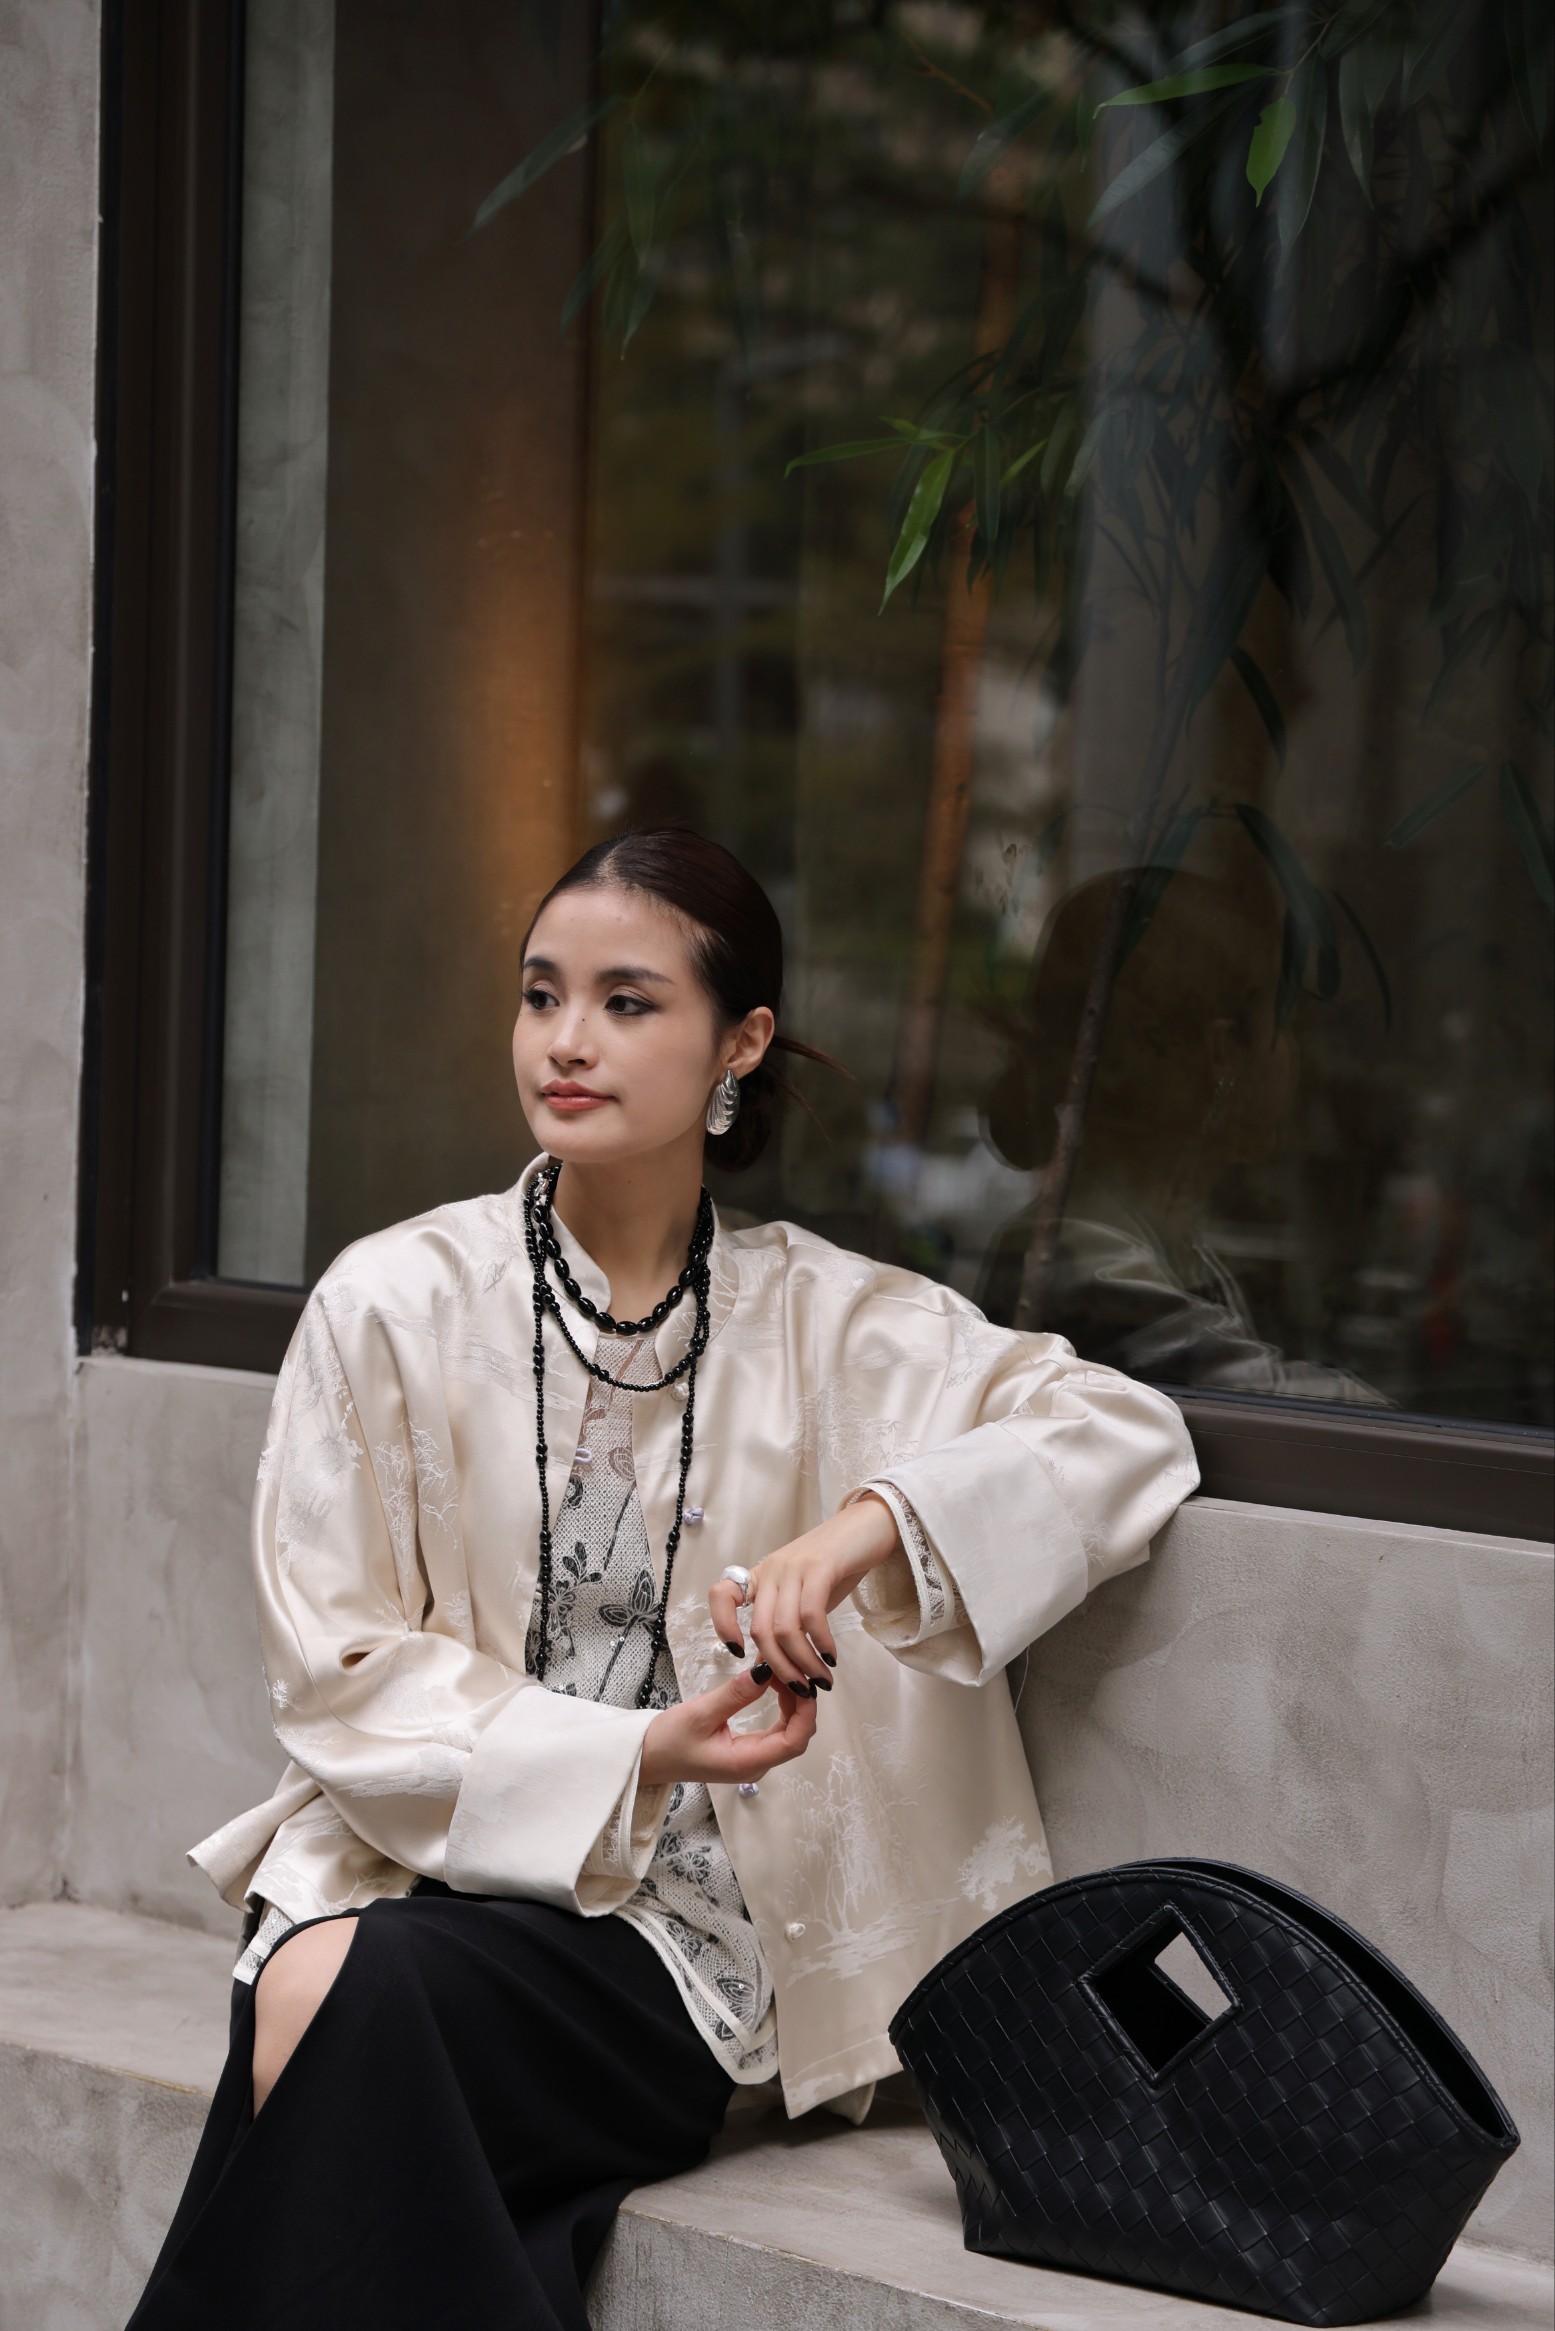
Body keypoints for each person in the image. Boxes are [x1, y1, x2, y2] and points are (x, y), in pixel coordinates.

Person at [126, 829, 1198, 2331]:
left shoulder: (829, 1318)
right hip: (430, 1869)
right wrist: (634, 1751)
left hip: (698, 1933)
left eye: (625, 1001)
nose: (565, 1040)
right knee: (331, 1985)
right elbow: (336, 1663)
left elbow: (1123, 1433)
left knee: (327, 2000)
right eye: (540, 995)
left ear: (738, 1042)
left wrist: (865, 1526)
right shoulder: (394, 1300)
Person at [978, 864, 1385, 1403]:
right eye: (1285, 1023)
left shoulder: (1156, 1245)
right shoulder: (1092, 1267)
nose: (1296, 1056)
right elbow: (1273, 1407)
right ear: (1223, 1054)